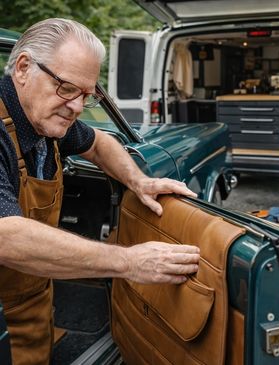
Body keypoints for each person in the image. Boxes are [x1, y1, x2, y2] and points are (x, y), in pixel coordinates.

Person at [0, 18, 200, 365]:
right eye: (66, 88)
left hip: (33, 298)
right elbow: (6, 235)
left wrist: (140, 182)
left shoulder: (45, 118)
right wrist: (128, 261)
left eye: (86, 96)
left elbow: (99, 143)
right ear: (22, 68)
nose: (76, 107)